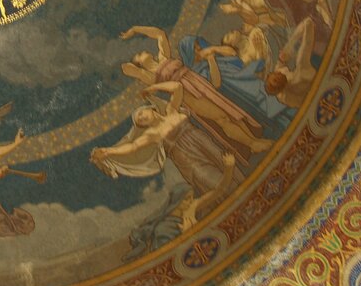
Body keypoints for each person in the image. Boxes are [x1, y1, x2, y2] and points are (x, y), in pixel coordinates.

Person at [119, 25, 272, 155]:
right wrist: (130, 68)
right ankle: (251, 144)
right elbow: (131, 71)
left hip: (199, 83)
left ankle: (255, 140)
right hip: (189, 95)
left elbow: (160, 34)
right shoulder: (151, 76)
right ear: (140, 64)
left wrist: (135, 29)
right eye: (139, 55)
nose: (142, 52)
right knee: (222, 118)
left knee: (231, 112)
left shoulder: (164, 57)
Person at [91, 80, 235, 195]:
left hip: (200, 140)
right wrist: (108, 151)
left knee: (223, 159)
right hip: (185, 157)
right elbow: (132, 147)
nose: (140, 118)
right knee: (206, 177)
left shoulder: (171, 110)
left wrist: (153, 87)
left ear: (151, 109)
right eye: (138, 121)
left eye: (140, 113)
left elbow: (177, 87)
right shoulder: (151, 134)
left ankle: (238, 187)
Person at [264, 18, 317, 109]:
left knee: (300, 60)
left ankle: (306, 26)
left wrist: (283, 57)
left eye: (275, 77)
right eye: (276, 82)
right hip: (310, 89)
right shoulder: (285, 97)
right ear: (279, 90)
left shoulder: (279, 71)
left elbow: (280, 63)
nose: (278, 75)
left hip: (306, 74)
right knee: (300, 68)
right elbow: (301, 104)